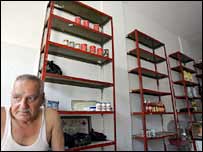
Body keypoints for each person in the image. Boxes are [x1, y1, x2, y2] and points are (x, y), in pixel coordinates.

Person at [1, 74, 64, 151]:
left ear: (42, 99)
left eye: (31, 98)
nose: (23, 106)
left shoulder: (51, 117)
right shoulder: (2, 116)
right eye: (17, 97)